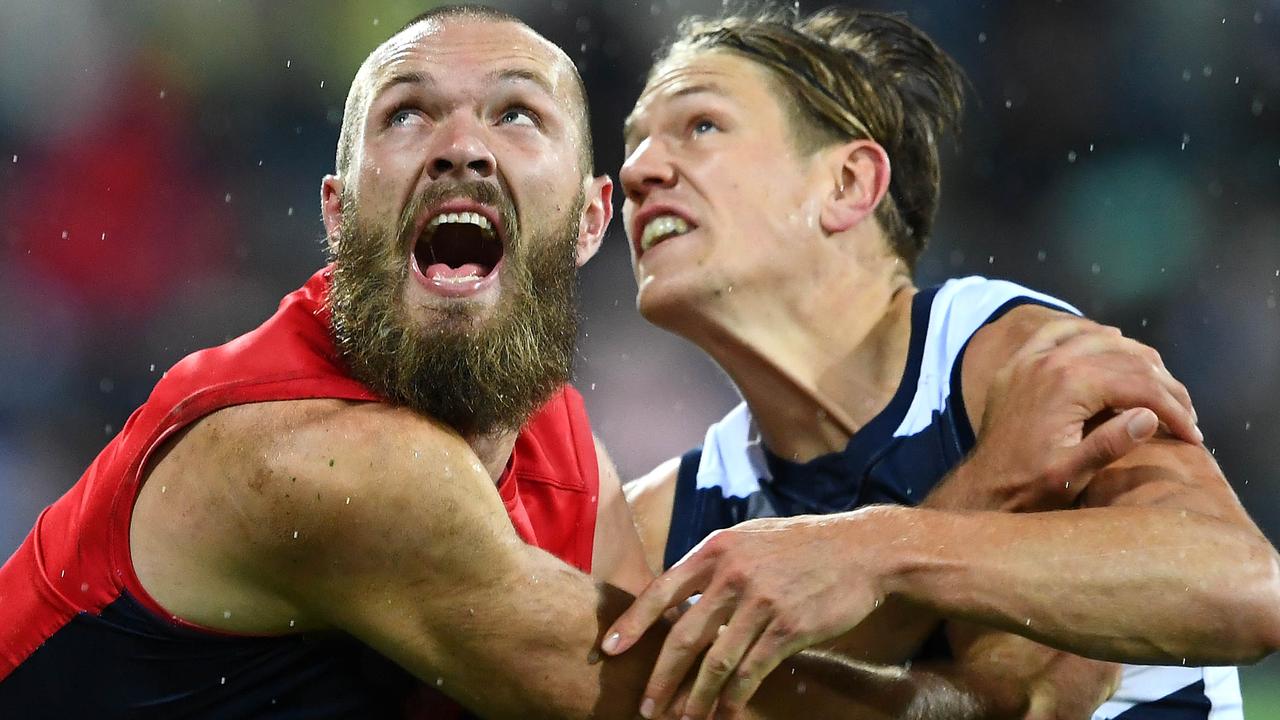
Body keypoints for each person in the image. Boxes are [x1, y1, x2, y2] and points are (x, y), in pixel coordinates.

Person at [0, 5, 1208, 719]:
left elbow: (740, 646)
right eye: (407, 115)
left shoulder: (556, 446)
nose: (461, 146)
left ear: (586, 222)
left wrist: (951, 526)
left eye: (514, 114)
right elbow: (694, 706)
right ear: (334, 210)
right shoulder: (307, 459)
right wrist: (981, 560)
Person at [606, 7, 1280, 720]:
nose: (638, 170)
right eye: (634, 144)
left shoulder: (1018, 358)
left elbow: (1245, 590)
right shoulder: (660, 525)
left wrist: (875, 551)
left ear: (847, 185)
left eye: (701, 126)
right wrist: (980, 498)